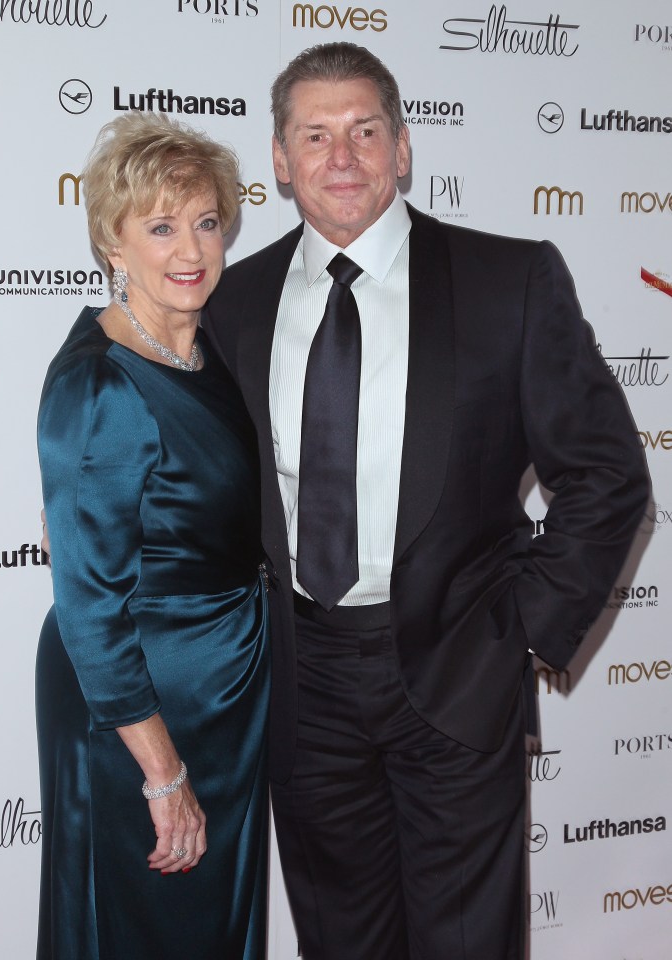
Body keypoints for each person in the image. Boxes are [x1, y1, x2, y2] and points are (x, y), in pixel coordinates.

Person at [203, 42, 650, 960]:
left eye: (365, 130)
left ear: (402, 148)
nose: (341, 157)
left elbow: (607, 474)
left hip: (456, 671)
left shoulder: (508, 280)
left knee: (465, 944)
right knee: (341, 942)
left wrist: (521, 631)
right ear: (279, 163)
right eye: (314, 135)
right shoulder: (230, 303)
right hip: (303, 682)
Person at [35, 111, 269, 960]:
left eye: (205, 222)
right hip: (136, 709)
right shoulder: (99, 382)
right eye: (161, 227)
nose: (190, 250)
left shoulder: (210, 349)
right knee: (137, 922)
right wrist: (162, 774)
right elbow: (90, 607)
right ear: (112, 239)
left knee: (208, 922)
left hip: (224, 692)